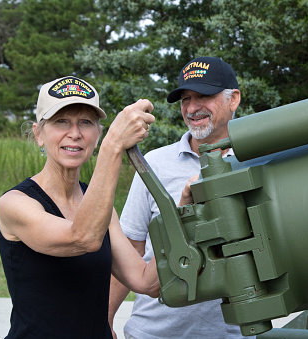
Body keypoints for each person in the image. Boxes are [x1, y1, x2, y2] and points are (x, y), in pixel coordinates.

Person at [0, 76, 160, 339]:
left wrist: (188, 215)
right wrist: (114, 145)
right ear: (39, 134)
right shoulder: (15, 203)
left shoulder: (102, 209)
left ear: (97, 135)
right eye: (61, 121)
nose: (74, 133)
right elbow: (82, 238)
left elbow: (145, 281)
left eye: (85, 122)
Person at [108, 57, 252, 339]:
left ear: (233, 99)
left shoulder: (256, 162)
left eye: (203, 96)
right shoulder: (155, 164)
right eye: (185, 99)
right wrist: (104, 319)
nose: (192, 108)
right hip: (153, 333)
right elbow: (131, 249)